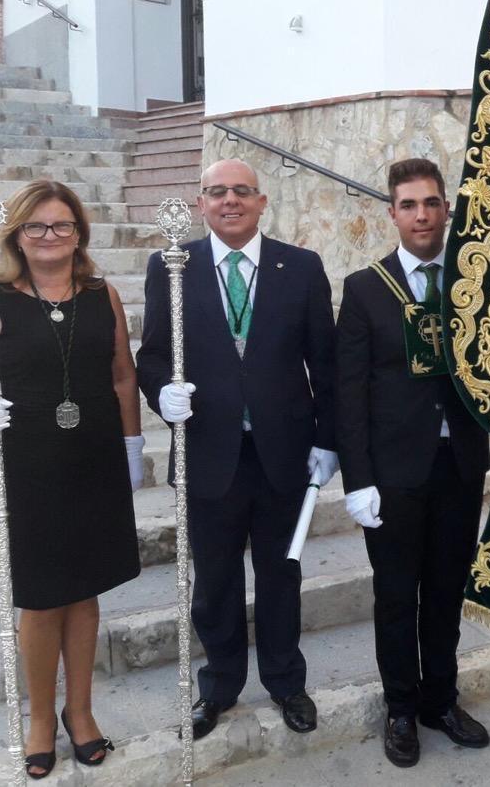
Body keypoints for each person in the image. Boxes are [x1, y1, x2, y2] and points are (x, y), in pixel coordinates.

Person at [136, 158, 339, 740]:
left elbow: (323, 361)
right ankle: (219, 686)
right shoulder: (171, 266)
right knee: (217, 579)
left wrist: (329, 440)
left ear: (262, 202)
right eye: (218, 192)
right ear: (201, 202)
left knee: (282, 575)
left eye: (242, 192)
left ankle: (285, 682)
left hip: (285, 452)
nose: (230, 201)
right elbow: (152, 355)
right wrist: (162, 395)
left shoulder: (300, 266)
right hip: (208, 449)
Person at [0, 180, 143, 777]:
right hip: (28, 462)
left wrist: (133, 444)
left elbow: (122, 376)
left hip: (94, 459)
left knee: (84, 594)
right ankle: (40, 718)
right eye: (35, 227)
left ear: (80, 233)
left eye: (62, 225)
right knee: (38, 601)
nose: (49, 236)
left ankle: (79, 712)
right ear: (17, 235)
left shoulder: (100, 293)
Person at [335, 158, 490, 768]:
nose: (421, 215)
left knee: (448, 590)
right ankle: (401, 707)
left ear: (446, 209)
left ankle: (440, 700)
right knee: (397, 596)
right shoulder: (364, 288)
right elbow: (349, 393)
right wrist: (359, 480)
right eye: (409, 205)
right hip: (394, 474)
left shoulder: (474, 283)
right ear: (392, 212)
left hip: (460, 464)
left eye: (431, 203)